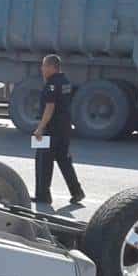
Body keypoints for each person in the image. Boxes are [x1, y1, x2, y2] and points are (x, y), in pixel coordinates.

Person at [32, 54, 86, 207]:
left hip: (50, 129)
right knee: (64, 160)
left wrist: (40, 128)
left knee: (42, 161)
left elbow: (50, 107)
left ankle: (43, 196)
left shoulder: (51, 84)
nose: (41, 69)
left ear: (51, 67)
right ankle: (77, 192)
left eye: (43, 66)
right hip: (64, 129)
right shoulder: (65, 82)